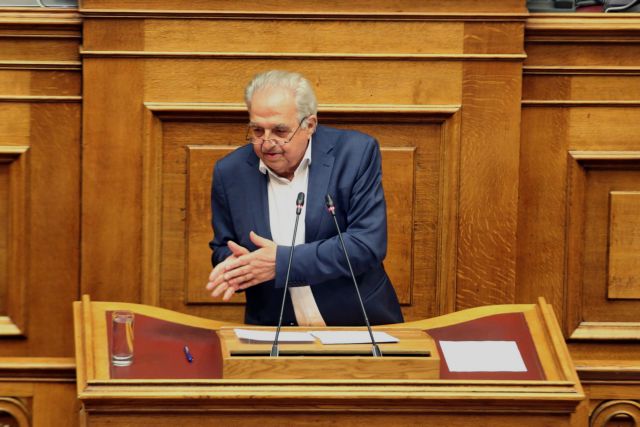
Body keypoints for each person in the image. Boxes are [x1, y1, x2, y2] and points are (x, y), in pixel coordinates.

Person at [205, 70, 403, 327]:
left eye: (280, 131)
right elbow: (223, 247)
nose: (267, 143)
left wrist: (281, 263)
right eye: (257, 130)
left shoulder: (354, 154)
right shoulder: (230, 172)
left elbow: (366, 244)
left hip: (358, 324)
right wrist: (237, 265)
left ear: (309, 125)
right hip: (275, 330)